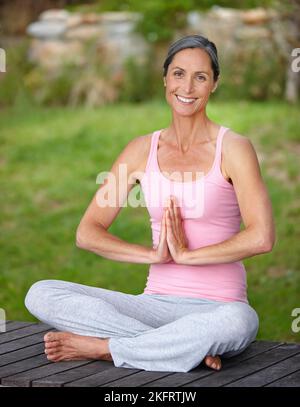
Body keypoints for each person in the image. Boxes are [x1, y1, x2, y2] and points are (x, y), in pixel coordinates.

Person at [24, 34, 276, 373]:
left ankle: (107, 348)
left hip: (220, 307)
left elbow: (262, 236)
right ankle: (178, 347)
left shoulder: (233, 148)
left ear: (214, 84)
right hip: (153, 305)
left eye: (200, 76)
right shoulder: (141, 150)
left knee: (242, 322)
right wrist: (153, 255)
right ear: (165, 79)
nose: (187, 86)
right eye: (178, 73)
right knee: (41, 293)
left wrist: (188, 256)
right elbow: (88, 231)